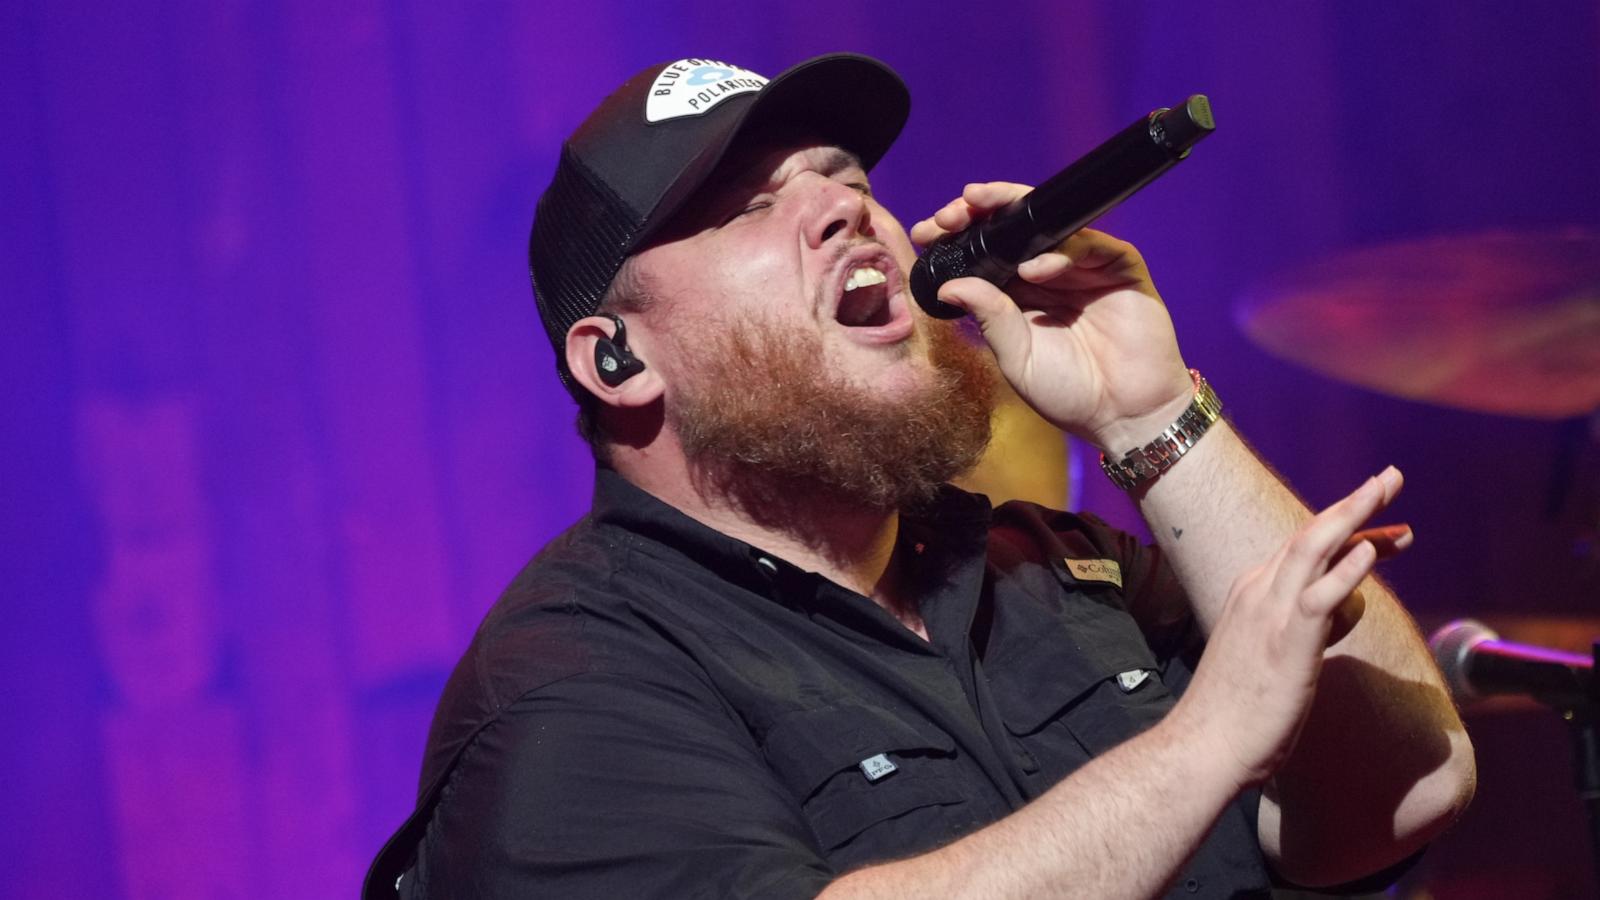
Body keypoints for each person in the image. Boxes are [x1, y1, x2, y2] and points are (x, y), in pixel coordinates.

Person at [364, 54, 1475, 899]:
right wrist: (1207, 740)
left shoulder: (1047, 566)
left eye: (846, 178)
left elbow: (1409, 787)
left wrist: (1151, 416)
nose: (846, 207)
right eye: (751, 205)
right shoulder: (568, 682)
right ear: (618, 358)